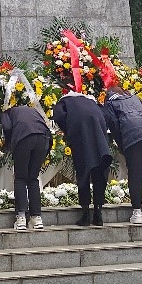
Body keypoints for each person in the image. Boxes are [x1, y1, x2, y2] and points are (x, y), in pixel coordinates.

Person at [101, 86, 142, 224]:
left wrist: (122, 145)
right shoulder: (135, 97)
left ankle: (137, 212)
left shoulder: (110, 102)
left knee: (135, 173)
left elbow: (114, 125)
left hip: (131, 134)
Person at [53, 91, 112, 226]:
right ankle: (98, 213)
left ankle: (85, 214)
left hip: (80, 134)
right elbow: (106, 114)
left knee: (83, 172)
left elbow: (59, 115)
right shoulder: (90, 101)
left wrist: (68, 130)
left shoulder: (64, 101)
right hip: (99, 133)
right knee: (99, 171)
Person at [0, 104, 52, 231]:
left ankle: (21, 218)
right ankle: (36, 218)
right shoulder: (33, 110)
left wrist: (9, 144)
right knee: (33, 178)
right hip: (43, 139)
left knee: (20, 177)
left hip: (24, 138)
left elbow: (7, 127)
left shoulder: (6, 113)